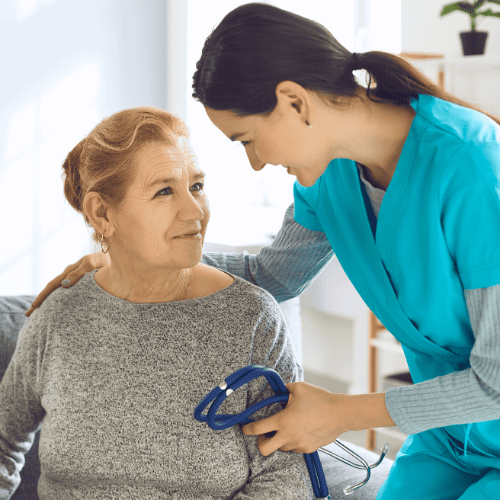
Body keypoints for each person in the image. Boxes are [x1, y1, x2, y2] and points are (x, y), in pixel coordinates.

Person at [25, 3, 500, 499]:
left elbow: (497, 382)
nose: (255, 164)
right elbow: (272, 275)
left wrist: (341, 412)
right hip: (448, 439)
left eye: (247, 139)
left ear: (294, 102)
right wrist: (131, 255)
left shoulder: (473, 168)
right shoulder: (328, 179)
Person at [0, 106, 322, 499]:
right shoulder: (59, 316)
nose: (194, 211)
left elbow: (287, 477)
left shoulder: (250, 318)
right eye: (164, 190)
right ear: (102, 213)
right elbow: (2, 441)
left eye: (197, 186)